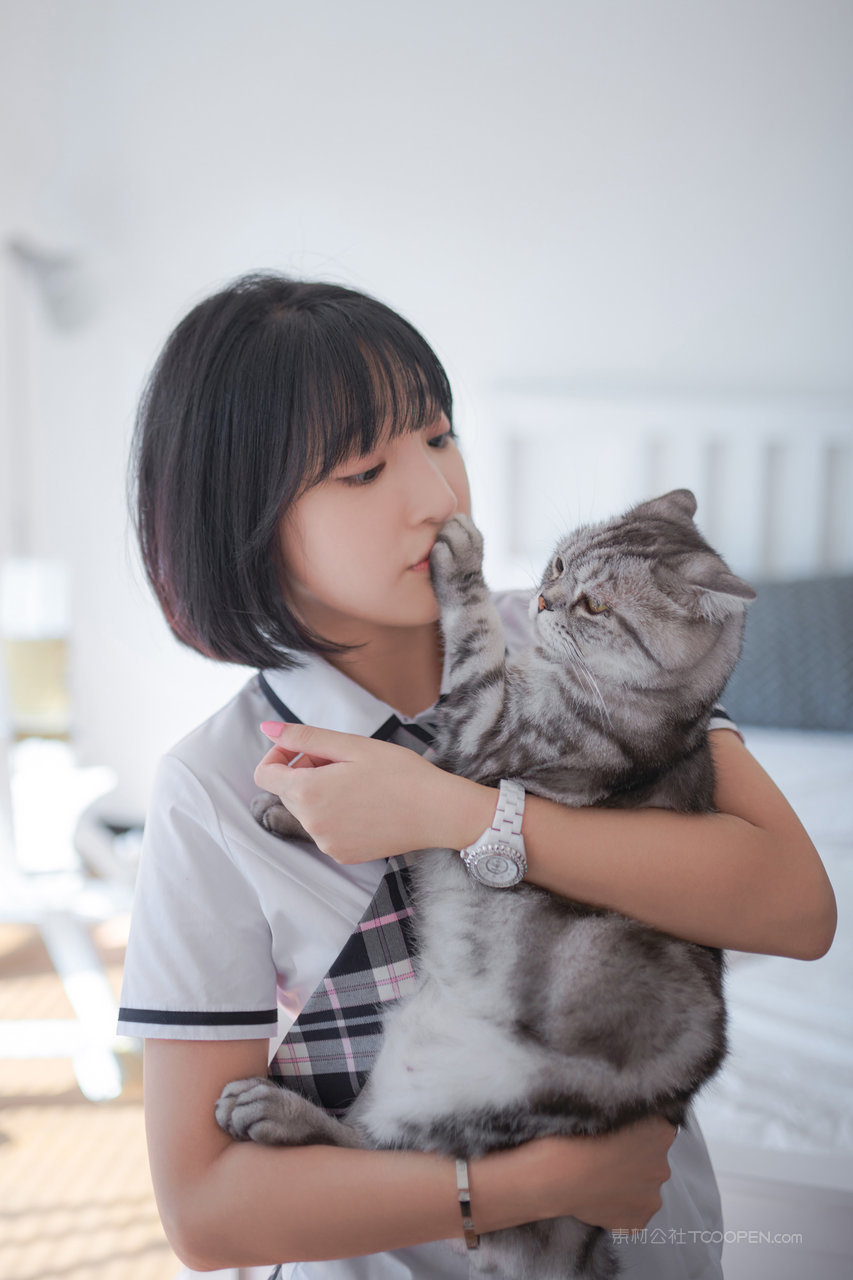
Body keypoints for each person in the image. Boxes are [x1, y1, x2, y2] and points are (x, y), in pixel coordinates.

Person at [118, 273, 836, 1280]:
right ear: (244, 516)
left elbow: (796, 909)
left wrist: (457, 810)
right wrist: (529, 1185)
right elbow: (203, 1210)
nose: (436, 496)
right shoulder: (215, 784)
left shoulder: (587, 628)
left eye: (438, 435)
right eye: (364, 471)